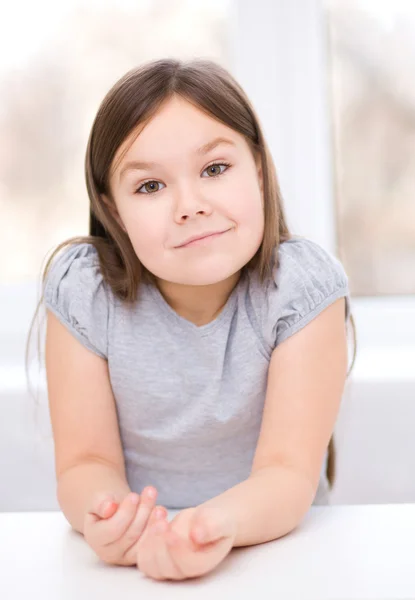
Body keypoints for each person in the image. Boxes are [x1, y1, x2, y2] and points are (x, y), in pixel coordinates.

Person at [28, 58, 355, 581]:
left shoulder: (301, 289)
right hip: (134, 568)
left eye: (215, 169)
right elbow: (85, 463)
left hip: (281, 555)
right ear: (114, 212)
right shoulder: (84, 291)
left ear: (259, 171)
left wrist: (207, 527)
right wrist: (108, 518)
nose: (190, 205)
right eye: (150, 187)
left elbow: (287, 475)